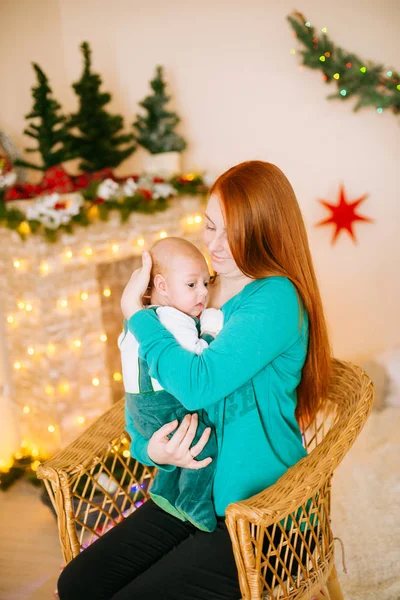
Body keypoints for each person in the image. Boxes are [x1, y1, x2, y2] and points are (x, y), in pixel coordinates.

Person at [58, 160, 331, 600]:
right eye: (209, 226)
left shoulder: (276, 298)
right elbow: (150, 395)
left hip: (264, 518)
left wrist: (138, 315)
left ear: (264, 231)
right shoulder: (200, 289)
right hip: (192, 497)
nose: (215, 246)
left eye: (232, 232)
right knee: (76, 585)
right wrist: (152, 449)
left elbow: (197, 384)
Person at [119, 236, 223, 532]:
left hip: (138, 408)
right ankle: (194, 502)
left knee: (179, 447)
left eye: (206, 282)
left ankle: (165, 492)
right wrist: (212, 328)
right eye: (192, 285)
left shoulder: (138, 320)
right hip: (165, 402)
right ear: (162, 286)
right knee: (204, 444)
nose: (203, 292)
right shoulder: (173, 319)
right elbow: (199, 361)